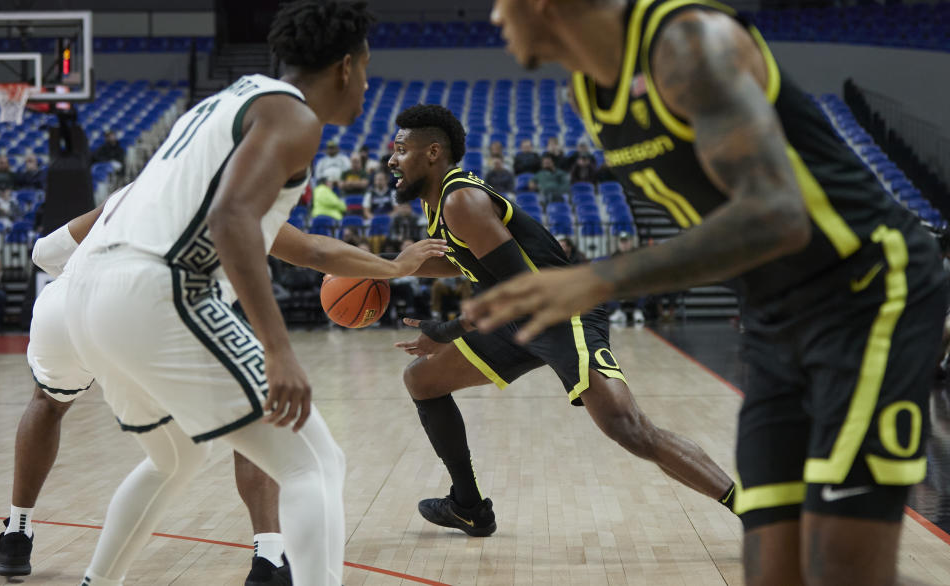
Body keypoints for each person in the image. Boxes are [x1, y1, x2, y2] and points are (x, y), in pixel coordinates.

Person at [469, 2, 949, 584]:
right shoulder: (586, 94)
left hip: (867, 292)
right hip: (776, 317)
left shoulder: (689, 45)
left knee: (842, 569)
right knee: (776, 570)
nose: (495, 15)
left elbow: (778, 213)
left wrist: (601, 276)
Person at [62, 3, 377, 585]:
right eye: (365, 67)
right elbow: (230, 217)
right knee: (315, 462)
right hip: (157, 288)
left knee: (177, 457)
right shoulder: (295, 117)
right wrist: (278, 349)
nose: (365, 82)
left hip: (88, 292)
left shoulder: (229, 100)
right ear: (344, 67)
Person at [0, 186, 446, 582]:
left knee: (61, 409)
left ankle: (16, 533)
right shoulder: (230, 190)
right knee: (266, 420)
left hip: (65, 310)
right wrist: (395, 266)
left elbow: (43, 255)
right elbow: (313, 251)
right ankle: (269, 557)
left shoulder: (135, 189)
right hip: (144, 313)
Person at [388, 103, 735, 538]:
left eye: (400, 149)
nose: (391, 159)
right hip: (521, 318)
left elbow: (522, 288)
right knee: (423, 380)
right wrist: (381, 268)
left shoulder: (461, 200)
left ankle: (755, 511)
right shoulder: (440, 200)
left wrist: (448, 330)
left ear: (433, 152)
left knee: (629, 429)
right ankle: (468, 506)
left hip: (560, 309)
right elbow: (469, 263)